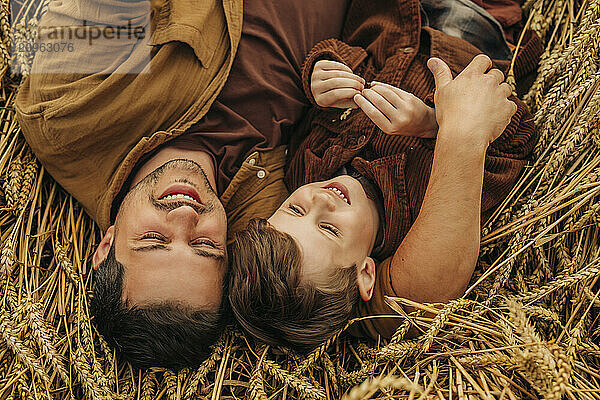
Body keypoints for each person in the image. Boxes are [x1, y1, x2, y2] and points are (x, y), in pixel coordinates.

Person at [15, 0, 351, 368]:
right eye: (205, 245)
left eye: (153, 240)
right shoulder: (265, 220)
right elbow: (385, 287)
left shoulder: (65, 111)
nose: (184, 217)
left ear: (106, 245)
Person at [227, 0, 542, 351]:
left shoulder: (306, 167)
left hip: (389, 14)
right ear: (365, 273)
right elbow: (514, 138)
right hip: (473, 24)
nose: (319, 200)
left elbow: (342, 59)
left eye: (295, 210)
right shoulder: (422, 208)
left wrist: (322, 73)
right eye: (329, 229)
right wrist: (432, 123)